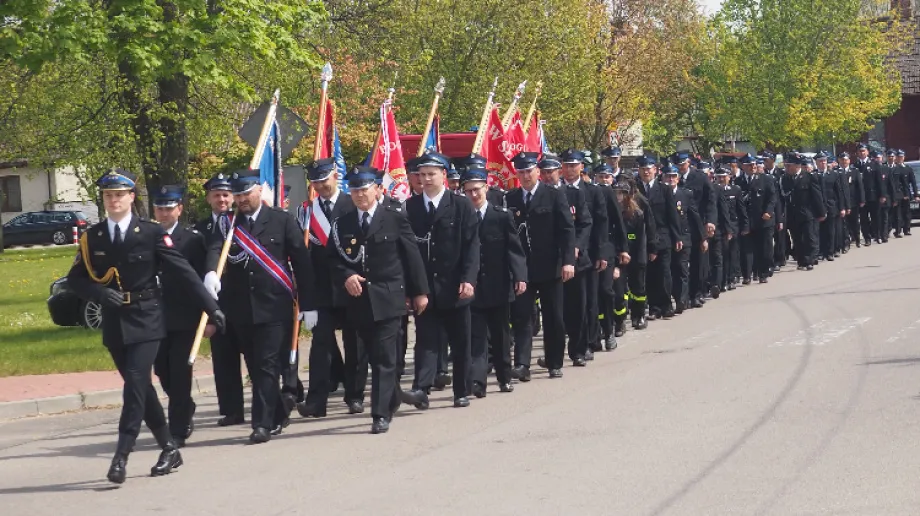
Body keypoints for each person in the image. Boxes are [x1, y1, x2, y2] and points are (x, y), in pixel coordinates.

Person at [68, 169, 225, 484]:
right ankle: (169, 446)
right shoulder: (93, 237)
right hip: (115, 322)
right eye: (108, 195)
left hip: (148, 317)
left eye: (119, 195)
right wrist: (99, 293)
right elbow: (76, 279)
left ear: (131, 198)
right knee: (142, 389)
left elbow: (183, 272)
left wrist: (212, 308)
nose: (113, 200)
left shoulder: (150, 232)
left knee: (135, 384)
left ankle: (121, 455)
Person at [203, 169, 317, 444]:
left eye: (246, 193)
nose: (241, 199)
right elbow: (216, 250)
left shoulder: (281, 220)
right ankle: (278, 412)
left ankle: (261, 424)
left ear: (259, 191)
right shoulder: (229, 224)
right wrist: (211, 272)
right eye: (237, 194)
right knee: (255, 367)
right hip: (240, 309)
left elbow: (301, 263)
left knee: (266, 365)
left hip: (275, 307)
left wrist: (310, 305)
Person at [331, 166, 429, 433]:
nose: (360, 195)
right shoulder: (343, 223)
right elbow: (333, 260)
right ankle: (402, 397)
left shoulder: (394, 217)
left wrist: (419, 292)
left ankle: (380, 414)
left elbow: (411, 256)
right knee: (372, 356)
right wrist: (346, 276)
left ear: (376, 189)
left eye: (364, 189)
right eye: (354, 190)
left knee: (385, 358)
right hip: (359, 301)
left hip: (388, 298)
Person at [402, 150, 480, 409]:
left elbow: (471, 245)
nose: (425, 179)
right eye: (421, 174)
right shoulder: (411, 207)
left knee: (460, 342)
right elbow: (406, 251)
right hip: (425, 287)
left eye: (431, 174)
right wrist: (411, 287)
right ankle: (420, 390)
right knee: (425, 341)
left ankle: (461, 390)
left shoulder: (460, 205)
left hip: (455, 286)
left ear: (443, 175)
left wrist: (469, 279)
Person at [298, 157, 364, 418]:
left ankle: (355, 395)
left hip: (352, 286)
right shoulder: (307, 210)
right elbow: (303, 254)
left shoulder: (353, 204)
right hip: (322, 289)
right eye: (316, 181)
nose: (321, 185)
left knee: (355, 345)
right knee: (320, 346)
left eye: (324, 180)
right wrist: (305, 299)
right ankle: (317, 401)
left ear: (335, 176)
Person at [505, 151, 575, 380]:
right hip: (523, 268)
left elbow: (566, 230)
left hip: (551, 265)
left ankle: (554, 361)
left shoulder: (554, 196)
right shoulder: (511, 198)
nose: (525, 176)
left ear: (537, 171)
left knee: (554, 316)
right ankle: (522, 364)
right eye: (521, 171)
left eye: (529, 171)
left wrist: (568, 261)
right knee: (522, 317)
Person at [151, 185, 209, 448]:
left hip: (185, 317)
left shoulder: (192, 240)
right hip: (154, 317)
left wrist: (207, 315)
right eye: (160, 209)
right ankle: (185, 405)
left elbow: (198, 281)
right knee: (161, 369)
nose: (164, 214)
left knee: (180, 370)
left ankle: (177, 429)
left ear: (179, 209)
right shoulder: (147, 236)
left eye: (169, 208)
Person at [461, 167, 527, 395]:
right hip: (474, 288)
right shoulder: (462, 218)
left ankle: (504, 377)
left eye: (476, 190)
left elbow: (514, 250)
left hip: (499, 286)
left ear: (486, 189)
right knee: (477, 338)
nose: (473, 195)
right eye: (468, 191)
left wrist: (520, 276)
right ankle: (478, 381)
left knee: (500, 337)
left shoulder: (501, 215)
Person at [194, 173, 245, 427]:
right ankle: (232, 410)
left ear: (233, 197)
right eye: (217, 195)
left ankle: (268, 406)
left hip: (244, 301)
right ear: (208, 198)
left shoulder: (243, 223)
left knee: (257, 359)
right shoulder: (199, 229)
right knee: (223, 360)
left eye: (226, 194)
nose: (222, 199)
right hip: (215, 304)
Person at [537, 153, 592, 368]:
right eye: (544, 172)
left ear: (559, 172)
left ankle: (578, 350)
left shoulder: (574, 194)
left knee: (576, 308)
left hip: (575, 261)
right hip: (550, 263)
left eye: (551, 172)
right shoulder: (538, 195)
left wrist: (576, 247)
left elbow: (585, 223)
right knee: (554, 313)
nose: (547, 176)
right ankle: (553, 355)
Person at [637, 156, 680, 319]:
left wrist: (677, 237)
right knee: (649, 274)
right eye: (643, 169)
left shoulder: (664, 189)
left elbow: (672, 216)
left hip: (663, 237)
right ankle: (654, 307)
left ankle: (666, 304)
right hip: (643, 238)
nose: (646, 171)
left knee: (664, 272)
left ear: (655, 170)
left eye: (649, 168)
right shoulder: (635, 189)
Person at [661, 165, 705, 313]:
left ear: (678, 179)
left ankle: (682, 299)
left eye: (673, 176)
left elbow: (695, 216)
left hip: (684, 236)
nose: (670, 179)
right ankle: (673, 297)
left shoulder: (685, 194)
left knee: (682, 269)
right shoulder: (659, 194)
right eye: (668, 176)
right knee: (670, 270)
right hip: (667, 238)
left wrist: (702, 238)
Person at [613, 176, 652, 331]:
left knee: (638, 289)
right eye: (617, 193)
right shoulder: (613, 212)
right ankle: (620, 321)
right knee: (619, 291)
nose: (619, 196)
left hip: (636, 255)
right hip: (619, 257)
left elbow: (641, 238)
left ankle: (639, 315)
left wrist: (642, 258)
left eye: (622, 193)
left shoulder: (637, 214)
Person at [736, 154, 776, 284]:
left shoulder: (766, 179)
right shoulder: (737, 182)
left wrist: (768, 211)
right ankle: (747, 275)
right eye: (749, 165)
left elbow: (772, 198)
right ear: (743, 166)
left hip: (763, 220)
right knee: (746, 249)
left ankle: (762, 273)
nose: (753, 167)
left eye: (754, 164)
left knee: (764, 249)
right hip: (746, 220)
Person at [785, 155, 827, 270]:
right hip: (793, 214)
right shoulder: (785, 178)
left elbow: (817, 196)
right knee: (797, 238)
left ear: (797, 166)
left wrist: (821, 212)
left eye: (789, 166)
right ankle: (801, 260)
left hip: (808, 213)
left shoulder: (809, 177)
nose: (787, 168)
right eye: (786, 166)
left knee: (809, 237)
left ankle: (809, 260)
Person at [715, 168, 748, 291]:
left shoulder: (736, 190)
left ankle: (732, 278)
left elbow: (741, 209)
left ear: (729, 177)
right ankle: (723, 280)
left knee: (733, 253)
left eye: (723, 177)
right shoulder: (714, 190)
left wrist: (745, 225)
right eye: (719, 177)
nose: (721, 179)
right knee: (722, 255)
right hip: (720, 226)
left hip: (733, 225)